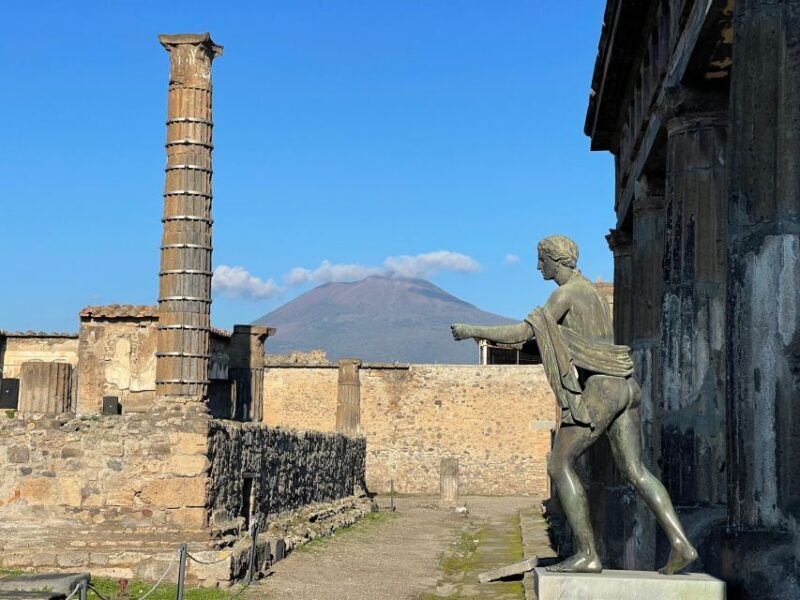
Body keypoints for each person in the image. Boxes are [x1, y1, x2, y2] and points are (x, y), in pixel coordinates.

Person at [450, 234, 697, 575]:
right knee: (635, 471)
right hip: (626, 386)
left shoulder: (566, 294)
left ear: (558, 259)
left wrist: (472, 330)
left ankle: (587, 554)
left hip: (601, 388)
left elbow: (524, 332)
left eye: (542, 259)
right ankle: (681, 543)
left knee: (559, 464)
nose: (538, 266)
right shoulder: (593, 294)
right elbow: (561, 343)